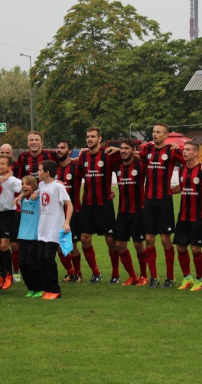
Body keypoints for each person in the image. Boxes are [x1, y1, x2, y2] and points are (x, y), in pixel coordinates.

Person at [139, 123, 185, 288]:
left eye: (158, 132)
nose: (155, 134)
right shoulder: (148, 150)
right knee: (149, 239)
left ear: (166, 136)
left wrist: (179, 151)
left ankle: (170, 278)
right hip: (149, 200)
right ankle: (154, 277)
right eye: (153, 131)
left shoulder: (171, 151)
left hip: (165, 200)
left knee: (166, 239)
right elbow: (135, 155)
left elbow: (187, 163)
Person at [11, 132, 58, 280]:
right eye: (31, 139)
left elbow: (63, 162)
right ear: (27, 143)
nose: (33, 142)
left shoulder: (50, 156)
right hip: (30, 201)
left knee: (48, 248)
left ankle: (68, 273)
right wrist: (23, 194)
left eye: (36, 139)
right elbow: (18, 179)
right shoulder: (23, 157)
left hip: (44, 201)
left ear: (41, 142)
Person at [78, 127, 121, 283]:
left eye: (93, 136)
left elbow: (129, 157)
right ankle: (96, 273)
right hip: (88, 204)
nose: (89, 139)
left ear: (100, 139)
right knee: (84, 238)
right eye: (87, 136)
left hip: (104, 204)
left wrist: (118, 148)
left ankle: (115, 274)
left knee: (110, 240)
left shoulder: (108, 154)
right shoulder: (83, 156)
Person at [172, 141, 202, 292]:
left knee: (195, 248)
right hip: (183, 215)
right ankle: (187, 277)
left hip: (198, 216)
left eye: (188, 149)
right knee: (181, 247)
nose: (184, 152)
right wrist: (166, 192)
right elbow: (180, 187)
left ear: (196, 153)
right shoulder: (181, 169)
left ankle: (199, 279)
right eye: (184, 149)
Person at [37, 161, 73, 300]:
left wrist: (66, 223)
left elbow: (69, 205)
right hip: (42, 229)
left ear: (47, 172)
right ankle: (47, 289)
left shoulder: (58, 187)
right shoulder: (41, 185)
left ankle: (55, 290)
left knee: (48, 258)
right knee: (40, 259)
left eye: (40, 170)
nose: (38, 172)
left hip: (54, 229)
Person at [113, 139, 147, 286]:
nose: (123, 151)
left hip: (138, 211)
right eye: (121, 148)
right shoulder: (118, 166)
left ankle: (144, 276)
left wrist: (138, 154)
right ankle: (132, 276)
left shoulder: (140, 165)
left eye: (127, 148)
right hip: (122, 211)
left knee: (139, 244)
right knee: (120, 244)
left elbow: (147, 157)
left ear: (133, 150)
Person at [0, 155, 22, 291]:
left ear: (9, 167)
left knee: (4, 245)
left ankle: (9, 274)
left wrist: (21, 195)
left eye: (2, 164)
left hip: (8, 215)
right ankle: (1, 276)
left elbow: (26, 187)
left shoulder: (13, 181)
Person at [55, 140, 85, 282]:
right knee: (59, 247)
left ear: (69, 151)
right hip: (56, 214)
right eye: (58, 147)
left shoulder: (77, 168)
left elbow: (91, 180)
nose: (59, 150)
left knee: (72, 245)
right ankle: (70, 272)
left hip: (73, 212)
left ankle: (78, 273)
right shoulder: (53, 168)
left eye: (63, 148)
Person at [16, 175, 43, 297]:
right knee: (22, 264)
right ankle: (31, 288)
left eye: (27, 184)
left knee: (32, 264)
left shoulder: (38, 198)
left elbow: (46, 188)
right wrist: (22, 195)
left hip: (34, 237)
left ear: (33, 186)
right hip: (22, 236)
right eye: (22, 184)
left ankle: (39, 288)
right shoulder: (22, 199)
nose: (24, 186)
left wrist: (37, 192)